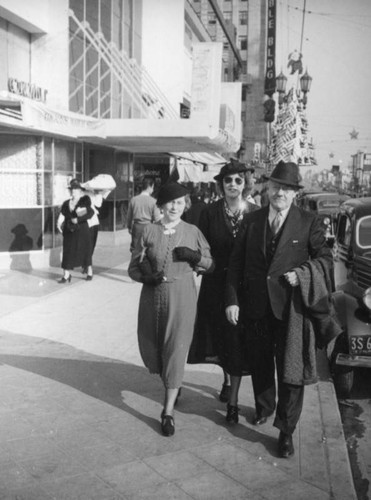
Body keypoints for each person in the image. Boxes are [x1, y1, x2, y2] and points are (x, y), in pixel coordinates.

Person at [225, 161, 339, 458]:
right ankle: (264, 407)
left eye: (286, 189)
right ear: (267, 189)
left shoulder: (309, 221)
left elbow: (326, 260)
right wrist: (232, 299)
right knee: (260, 362)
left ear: (294, 194)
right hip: (256, 307)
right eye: (275, 187)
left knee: (290, 370)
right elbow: (236, 264)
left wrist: (302, 273)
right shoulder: (252, 220)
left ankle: (286, 431)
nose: (280, 193)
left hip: (292, 310)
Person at [128, 182, 214, 437]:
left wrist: (194, 257)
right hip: (153, 298)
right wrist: (146, 275)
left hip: (183, 297)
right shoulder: (147, 231)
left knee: (176, 349)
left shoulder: (193, 231)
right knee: (156, 349)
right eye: (170, 202)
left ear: (185, 204)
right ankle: (173, 384)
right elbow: (134, 266)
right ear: (162, 205)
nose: (175, 207)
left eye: (180, 202)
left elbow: (210, 264)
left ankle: (167, 412)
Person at [187, 158, 258, 424]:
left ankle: (233, 401)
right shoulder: (210, 212)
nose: (232, 184)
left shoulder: (254, 212)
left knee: (237, 341)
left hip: (243, 289)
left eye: (238, 180)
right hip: (216, 285)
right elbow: (202, 246)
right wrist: (199, 264)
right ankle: (227, 380)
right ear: (221, 184)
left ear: (245, 184)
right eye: (227, 180)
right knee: (220, 337)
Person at [57, 179, 94, 282]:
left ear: (80, 191)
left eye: (76, 189)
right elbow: (63, 214)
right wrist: (59, 223)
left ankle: (89, 271)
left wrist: (78, 219)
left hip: (82, 230)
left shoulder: (84, 201)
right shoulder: (66, 203)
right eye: (72, 189)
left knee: (85, 251)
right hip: (69, 230)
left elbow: (91, 213)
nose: (74, 191)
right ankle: (66, 275)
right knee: (67, 252)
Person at [127, 176, 162, 252]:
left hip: (136, 228)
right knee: (148, 250)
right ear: (150, 186)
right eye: (153, 187)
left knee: (135, 250)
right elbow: (157, 219)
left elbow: (129, 217)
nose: (153, 189)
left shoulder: (134, 200)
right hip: (149, 228)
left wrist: (129, 227)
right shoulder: (153, 201)